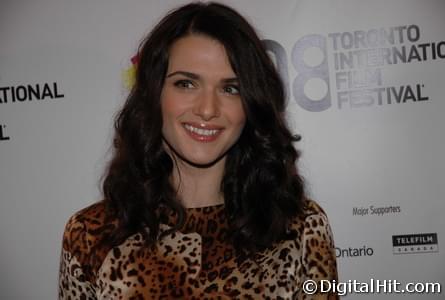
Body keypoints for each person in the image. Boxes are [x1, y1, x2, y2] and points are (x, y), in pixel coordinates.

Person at [58, 2, 338, 299]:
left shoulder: (300, 228)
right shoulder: (91, 235)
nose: (207, 109)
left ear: (251, 104)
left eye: (230, 88)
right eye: (186, 83)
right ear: (154, 94)